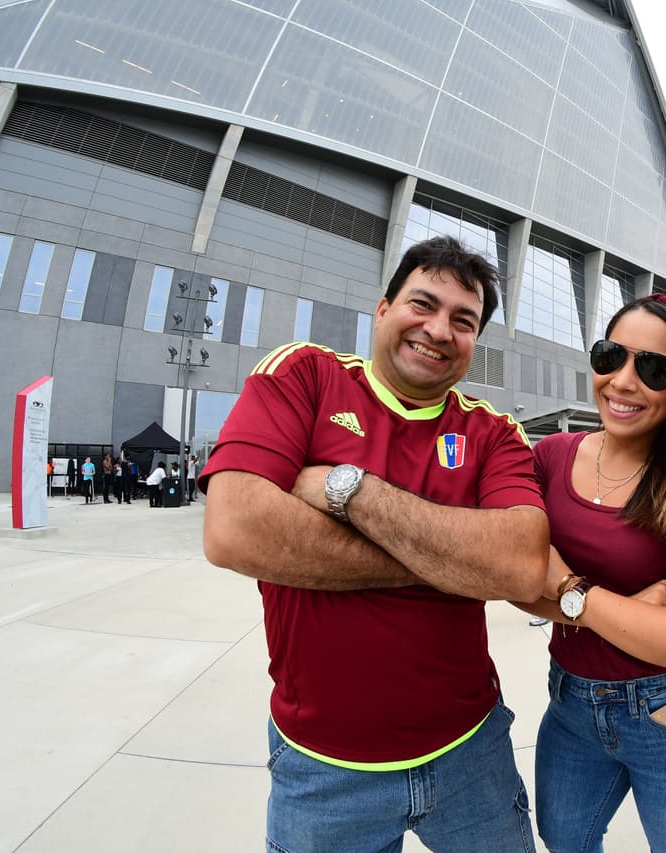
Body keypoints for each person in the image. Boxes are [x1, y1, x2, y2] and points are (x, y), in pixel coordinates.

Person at [200, 236, 549, 853]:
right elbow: (234, 528)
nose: (439, 329)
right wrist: (449, 562)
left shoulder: (494, 433)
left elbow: (519, 568)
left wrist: (348, 492)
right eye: (423, 304)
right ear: (383, 309)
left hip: (470, 753)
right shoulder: (305, 375)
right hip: (321, 769)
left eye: (462, 321)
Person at [516, 294, 666, 853]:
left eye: (654, 368)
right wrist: (629, 609)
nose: (622, 381)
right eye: (611, 355)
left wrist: (570, 595)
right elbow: (514, 580)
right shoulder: (550, 459)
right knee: (563, 840)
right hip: (569, 705)